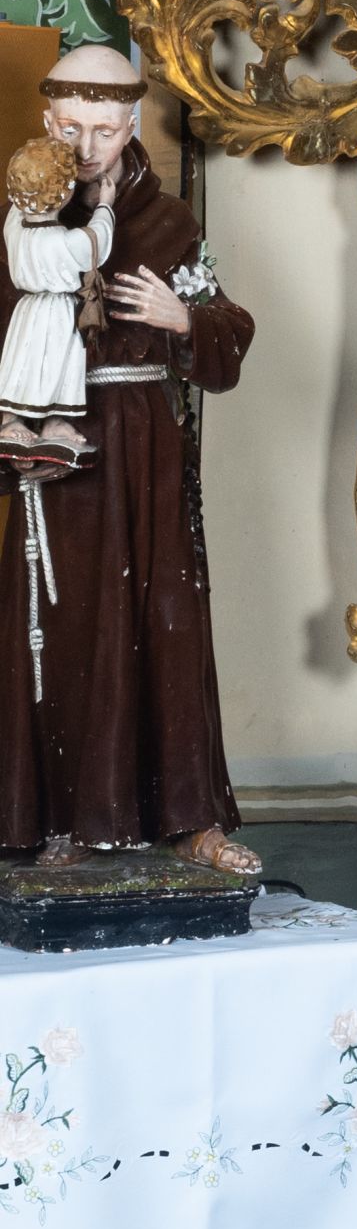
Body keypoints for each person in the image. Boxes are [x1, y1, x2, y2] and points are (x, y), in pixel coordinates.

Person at [0, 47, 257, 870]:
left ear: (132, 125)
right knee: (65, 622)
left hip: (146, 446)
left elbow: (228, 330)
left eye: (105, 130)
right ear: (47, 122)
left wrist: (184, 321)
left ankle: (191, 820)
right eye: (70, 128)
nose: (86, 147)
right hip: (60, 453)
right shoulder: (20, 222)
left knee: (167, 622)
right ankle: (64, 819)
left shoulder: (169, 222)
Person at [0, 134, 108, 473]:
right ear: (67, 193)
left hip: (27, 312)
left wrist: (26, 184)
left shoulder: (14, 230)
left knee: (22, 364)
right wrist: (105, 205)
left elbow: (17, 208)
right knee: (56, 365)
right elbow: (99, 240)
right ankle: (29, 421)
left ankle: (23, 419)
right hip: (58, 313)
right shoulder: (66, 241)